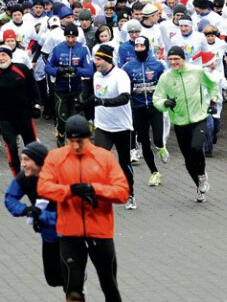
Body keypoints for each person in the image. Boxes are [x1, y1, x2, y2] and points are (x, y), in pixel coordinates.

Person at [38, 115, 129, 302]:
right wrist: (69, 191)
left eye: (80, 141)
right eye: (71, 141)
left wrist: (94, 189)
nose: (76, 146)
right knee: (73, 290)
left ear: (89, 138)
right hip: (70, 233)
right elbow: (44, 187)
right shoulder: (56, 157)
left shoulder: (105, 158)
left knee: (109, 285)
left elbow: (122, 192)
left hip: (100, 232)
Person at [153, 46, 218, 202]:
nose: (174, 62)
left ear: (183, 59)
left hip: (199, 118)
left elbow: (212, 85)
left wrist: (213, 101)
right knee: (188, 159)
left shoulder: (196, 72)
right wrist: (165, 103)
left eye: (177, 59)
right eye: (171, 60)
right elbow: (157, 99)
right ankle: (199, 187)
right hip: (180, 122)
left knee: (196, 147)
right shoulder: (165, 77)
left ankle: (202, 175)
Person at [4, 142, 62, 289]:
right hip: (48, 235)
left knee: (70, 280)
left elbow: (68, 213)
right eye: (22, 159)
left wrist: (41, 215)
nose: (22, 164)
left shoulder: (59, 178)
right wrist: (26, 210)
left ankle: (78, 279)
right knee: (52, 279)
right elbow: (9, 198)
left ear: (39, 161)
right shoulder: (25, 177)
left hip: (68, 236)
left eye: (26, 160)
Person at [87, 44, 136, 209]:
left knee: (124, 162)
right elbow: (97, 96)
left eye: (99, 59)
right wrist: (86, 105)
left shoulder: (120, 75)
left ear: (107, 60)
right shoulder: (96, 76)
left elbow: (124, 98)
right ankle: (98, 194)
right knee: (98, 161)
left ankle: (130, 194)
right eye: (95, 59)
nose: (96, 62)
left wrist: (103, 102)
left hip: (122, 126)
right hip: (103, 126)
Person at [0, 45, 41, 175]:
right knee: (12, 148)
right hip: (6, 118)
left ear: (10, 56)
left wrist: (37, 105)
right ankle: (17, 177)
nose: (1, 58)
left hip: (25, 115)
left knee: (31, 147)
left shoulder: (21, 69)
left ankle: (36, 173)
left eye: (4, 55)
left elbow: (33, 87)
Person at [122, 35, 168, 186]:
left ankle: (161, 147)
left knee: (157, 139)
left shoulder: (158, 65)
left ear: (147, 48)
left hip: (155, 107)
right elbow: (124, 87)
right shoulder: (128, 67)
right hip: (138, 108)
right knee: (144, 142)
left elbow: (165, 84)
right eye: (137, 47)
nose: (139, 49)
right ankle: (154, 172)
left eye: (142, 46)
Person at [45, 23, 93, 147]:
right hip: (61, 90)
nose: (70, 40)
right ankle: (60, 136)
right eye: (68, 37)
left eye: (73, 37)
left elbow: (90, 70)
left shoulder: (83, 49)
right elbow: (47, 67)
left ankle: (74, 143)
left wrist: (77, 71)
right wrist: (58, 71)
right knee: (62, 119)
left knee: (75, 119)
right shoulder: (57, 49)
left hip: (77, 89)